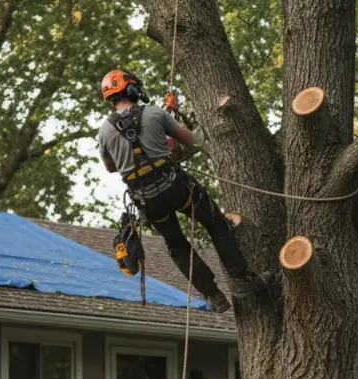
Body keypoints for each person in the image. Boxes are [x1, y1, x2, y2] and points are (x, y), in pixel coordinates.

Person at [96, 69, 275, 314]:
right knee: (214, 222)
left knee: (177, 244)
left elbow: (110, 167)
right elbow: (193, 141)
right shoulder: (154, 113)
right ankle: (242, 279)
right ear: (132, 89)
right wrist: (171, 127)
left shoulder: (104, 132)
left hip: (148, 201)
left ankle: (213, 296)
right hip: (175, 188)